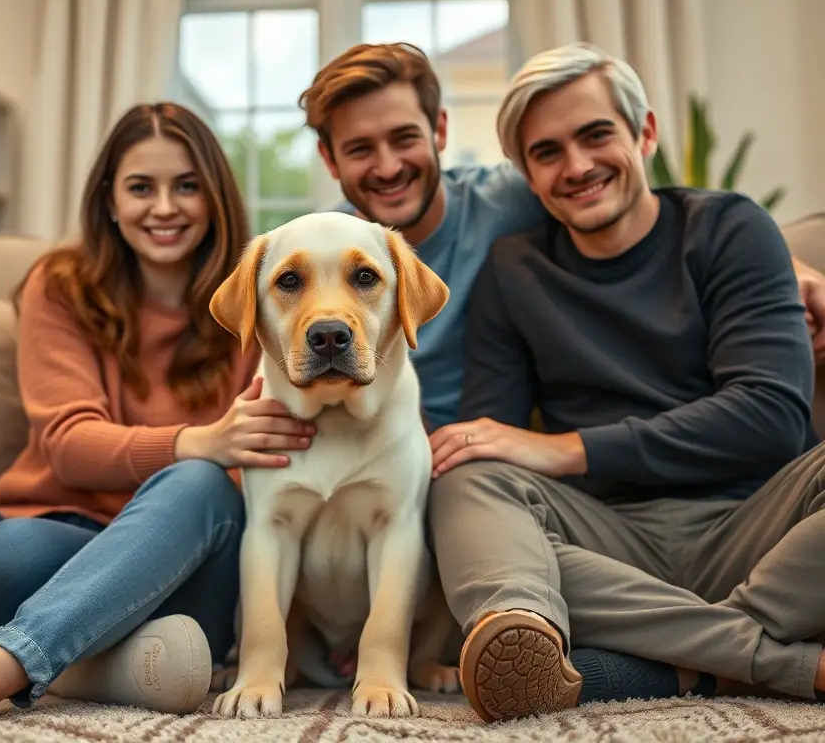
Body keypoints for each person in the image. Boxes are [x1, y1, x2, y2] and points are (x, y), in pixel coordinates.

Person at [299, 40, 825, 703]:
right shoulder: (512, 265)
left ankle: (688, 662)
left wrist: (565, 448)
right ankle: (763, 656)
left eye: (596, 135)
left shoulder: (728, 229)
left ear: (647, 132)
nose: (576, 167)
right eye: (547, 152)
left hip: (754, 522)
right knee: (467, 475)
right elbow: (489, 442)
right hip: (604, 538)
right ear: (526, 172)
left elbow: (772, 418)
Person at [0, 101, 315, 736]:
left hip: (179, 576)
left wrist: (205, 458)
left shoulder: (261, 298)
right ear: (108, 200)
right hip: (14, 551)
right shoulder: (63, 285)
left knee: (201, 481)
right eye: (140, 187)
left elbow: (268, 465)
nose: (164, 207)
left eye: (186, 185)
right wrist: (198, 439)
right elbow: (69, 446)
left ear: (215, 196)